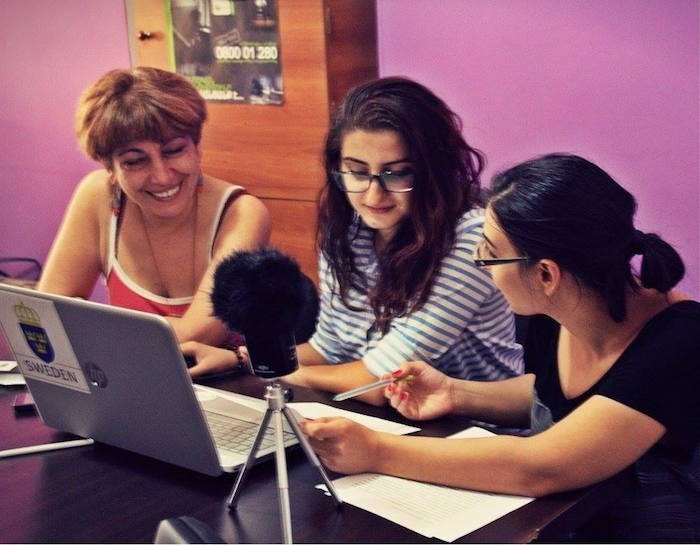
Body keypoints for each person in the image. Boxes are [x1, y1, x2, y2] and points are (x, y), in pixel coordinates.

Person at [301, 153, 700, 541]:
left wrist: (376, 451)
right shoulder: (555, 310)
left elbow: (544, 466)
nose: (478, 261)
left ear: (545, 274)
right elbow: (571, 401)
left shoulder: (678, 342)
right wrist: (455, 392)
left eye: (490, 253)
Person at [284, 77, 523, 403]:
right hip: (383, 423)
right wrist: (244, 360)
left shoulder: (472, 239)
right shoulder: (347, 229)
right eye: (356, 171)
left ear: (431, 170)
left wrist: (282, 374)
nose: (373, 193)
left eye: (395, 173)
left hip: (473, 432)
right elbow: (330, 348)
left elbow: (380, 381)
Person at [37, 67, 271, 377]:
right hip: (132, 382)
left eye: (174, 151)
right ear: (111, 168)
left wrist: (90, 330)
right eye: (135, 161)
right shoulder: (98, 196)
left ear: (198, 147)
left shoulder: (243, 213)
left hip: (233, 389)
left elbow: (195, 337)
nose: (162, 176)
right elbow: (44, 319)